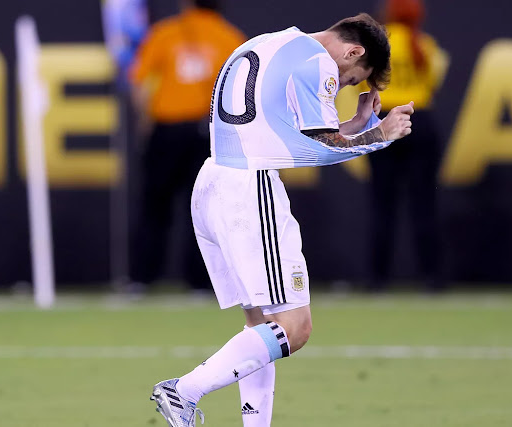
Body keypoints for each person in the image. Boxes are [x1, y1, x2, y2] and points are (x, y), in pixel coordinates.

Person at [149, 13, 414, 427]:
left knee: (261, 328)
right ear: (353, 51)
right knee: (294, 327)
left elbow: (281, 132)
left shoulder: (264, 42)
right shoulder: (318, 61)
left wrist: (357, 124)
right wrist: (381, 136)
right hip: (249, 189)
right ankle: (183, 391)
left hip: (215, 179)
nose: (344, 85)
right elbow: (319, 148)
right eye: (352, 79)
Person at [128, 0, 245, 291]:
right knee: (205, 210)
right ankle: (203, 283)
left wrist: (144, 121)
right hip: (210, 132)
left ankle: (141, 279)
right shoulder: (230, 36)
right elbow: (241, 91)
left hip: (167, 131)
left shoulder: (165, 32)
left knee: (154, 206)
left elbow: (139, 82)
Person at [367, 0, 448, 292]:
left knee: (382, 204)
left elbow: (364, 82)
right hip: (418, 120)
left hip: (384, 121)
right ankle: (432, 277)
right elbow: (434, 82)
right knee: (424, 203)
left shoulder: (378, 44)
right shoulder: (425, 45)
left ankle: (377, 279)